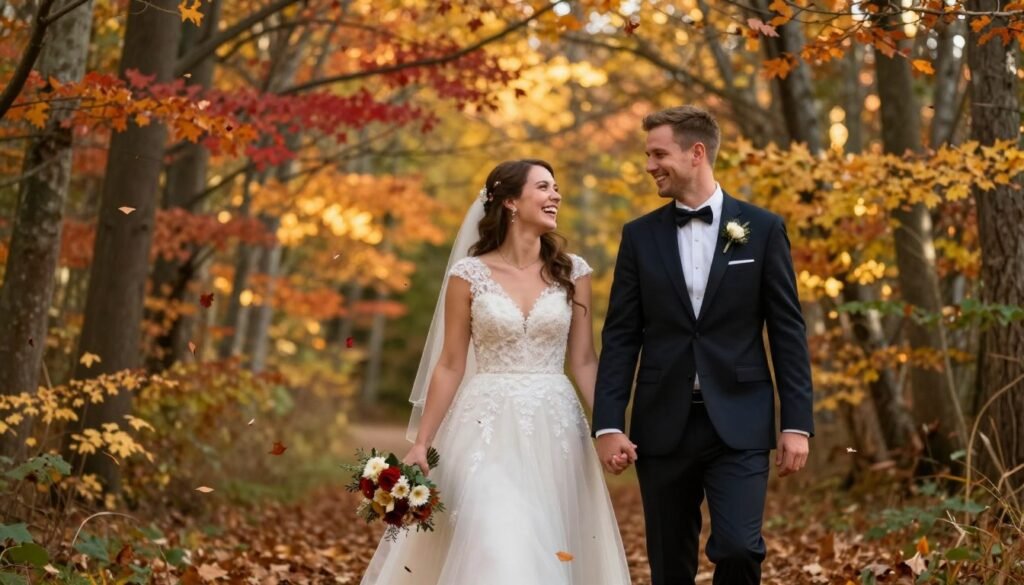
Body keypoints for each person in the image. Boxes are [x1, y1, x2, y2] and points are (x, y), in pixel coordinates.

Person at [360, 159, 632, 585]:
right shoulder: (468, 275)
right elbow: (450, 363)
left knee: (544, 545)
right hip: (483, 428)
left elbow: (583, 360)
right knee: (495, 540)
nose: (556, 195)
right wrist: (422, 442)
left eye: (556, 188)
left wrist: (610, 427)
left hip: (555, 428)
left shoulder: (573, 272)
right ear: (510, 202)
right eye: (543, 187)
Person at [593, 106, 815, 585]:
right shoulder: (639, 236)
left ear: (696, 153)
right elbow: (622, 336)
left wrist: (796, 423)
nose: (649, 165)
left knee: (739, 547)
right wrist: (608, 423)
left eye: (659, 154)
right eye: (648, 155)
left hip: (741, 419)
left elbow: (787, 331)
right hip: (661, 422)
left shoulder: (763, 228)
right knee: (670, 564)